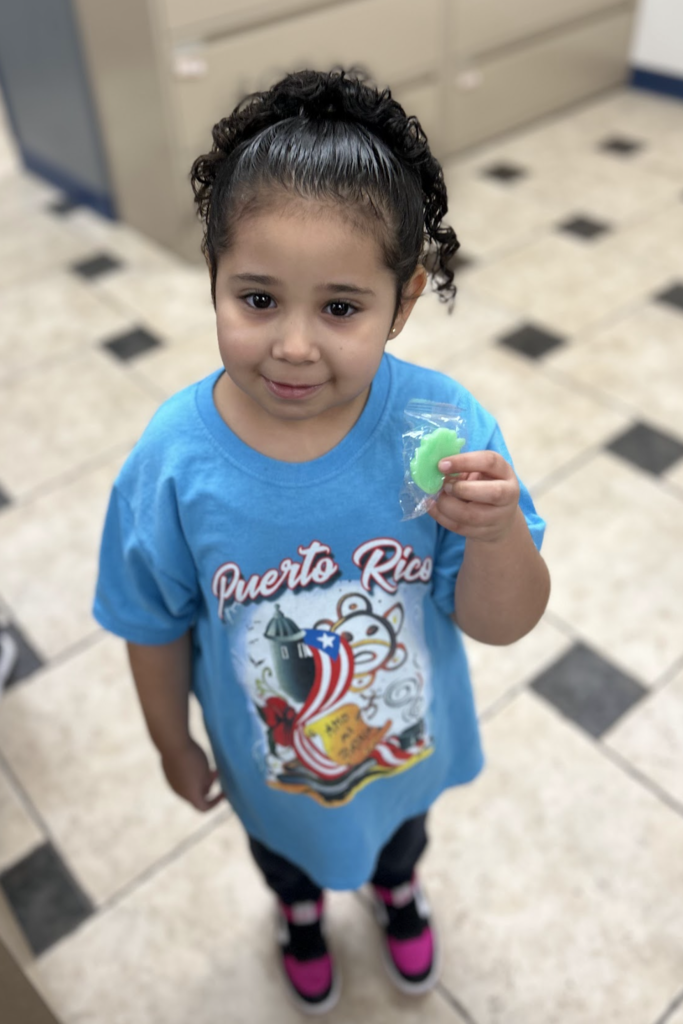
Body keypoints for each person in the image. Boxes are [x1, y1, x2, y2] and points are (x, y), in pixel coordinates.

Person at [93, 67, 550, 1015]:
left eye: (340, 308)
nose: (294, 346)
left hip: (403, 750)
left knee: (398, 841)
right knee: (287, 863)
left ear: (406, 299)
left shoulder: (443, 426)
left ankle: (396, 893)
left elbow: (504, 624)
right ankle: (299, 916)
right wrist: (170, 743)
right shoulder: (174, 462)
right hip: (271, 766)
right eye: (257, 299)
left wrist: (498, 533)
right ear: (212, 275)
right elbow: (149, 619)